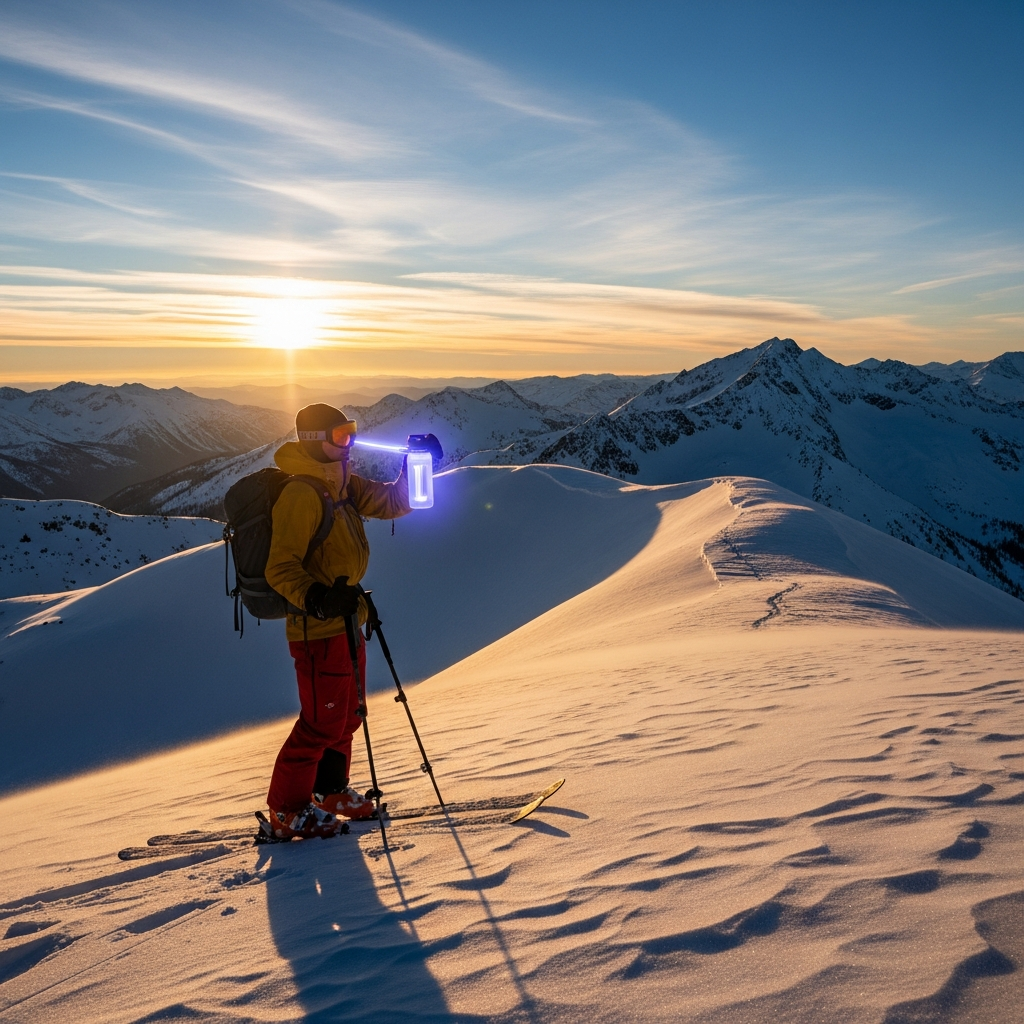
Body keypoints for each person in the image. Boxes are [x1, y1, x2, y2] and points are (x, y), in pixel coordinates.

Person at [262, 403, 438, 839]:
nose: (350, 442)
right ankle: (286, 810)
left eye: (352, 432)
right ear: (314, 440)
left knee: (347, 717)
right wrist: (318, 598)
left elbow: (395, 502)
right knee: (319, 723)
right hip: (316, 629)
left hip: (346, 619)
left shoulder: (342, 483)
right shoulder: (301, 494)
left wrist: (416, 465)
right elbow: (279, 568)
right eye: (341, 435)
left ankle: (330, 790)